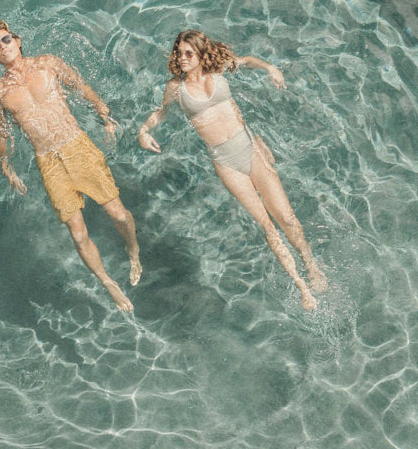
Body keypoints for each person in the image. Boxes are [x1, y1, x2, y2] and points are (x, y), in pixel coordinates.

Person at [137, 30, 327, 311]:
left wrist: (270, 67)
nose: (182, 58)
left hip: (249, 148)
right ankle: (301, 287)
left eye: (189, 53)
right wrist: (143, 130)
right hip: (226, 162)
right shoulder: (175, 88)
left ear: (201, 54)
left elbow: (248, 61)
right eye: (179, 53)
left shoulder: (218, 71)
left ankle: (311, 265)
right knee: (267, 225)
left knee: (286, 216)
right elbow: (160, 112)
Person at [0, 20, 142, 312]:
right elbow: (1, 133)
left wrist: (104, 117)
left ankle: (133, 249)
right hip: (48, 162)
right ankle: (108, 281)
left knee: (119, 215)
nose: (2, 47)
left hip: (77, 146)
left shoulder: (48, 64)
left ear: (17, 41)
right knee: (78, 234)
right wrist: (6, 166)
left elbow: (81, 86)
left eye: (6, 40)